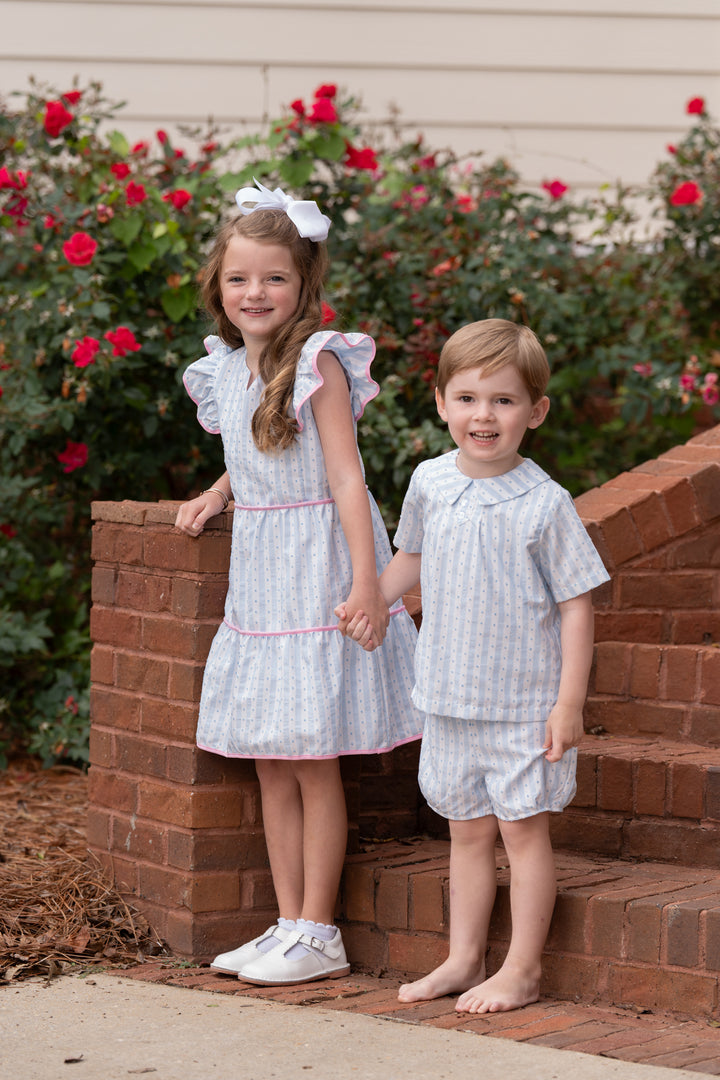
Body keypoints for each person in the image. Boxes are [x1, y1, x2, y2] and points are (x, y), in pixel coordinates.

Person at [175, 180, 422, 987]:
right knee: (271, 757)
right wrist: (218, 493)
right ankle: (288, 922)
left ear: (303, 284)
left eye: (274, 278)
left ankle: (321, 930)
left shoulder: (321, 364)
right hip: (261, 578)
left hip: (318, 572)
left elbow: (347, 481)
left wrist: (369, 586)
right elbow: (252, 460)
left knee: (312, 756)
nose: (256, 292)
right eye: (240, 277)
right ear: (219, 284)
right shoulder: (226, 369)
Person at [338, 319, 610, 1013]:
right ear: (440, 403)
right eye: (467, 398)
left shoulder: (544, 503)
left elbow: (578, 606)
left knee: (522, 832)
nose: (482, 415)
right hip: (448, 696)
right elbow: (413, 559)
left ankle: (521, 970)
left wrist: (568, 703)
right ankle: (464, 958)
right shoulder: (430, 481)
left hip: (522, 702)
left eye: (503, 401)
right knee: (464, 832)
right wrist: (372, 600)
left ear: (535, 411)